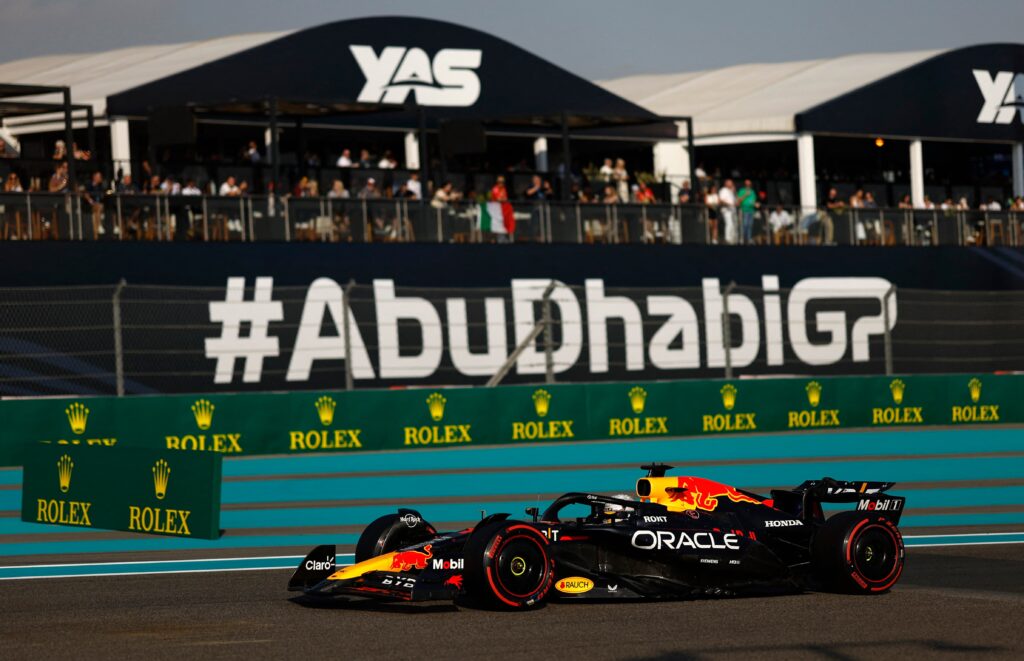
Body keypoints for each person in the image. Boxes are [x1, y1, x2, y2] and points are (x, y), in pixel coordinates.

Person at [84, 172, 106, 238]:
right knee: (98, 208)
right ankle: (100, 225)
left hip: (99, 205)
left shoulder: (101, 185)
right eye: (98, 177)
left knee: (98, 209)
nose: (99, 178)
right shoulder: (89, 184)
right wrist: (91, 201)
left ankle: (97, 229)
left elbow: (103, 195)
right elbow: (86, 194)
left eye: (100, 177)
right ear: (94, 177)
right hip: (89, 204)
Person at [737, 179, 757, 244]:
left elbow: (753, 200)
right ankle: (742, 238)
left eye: (749, 184)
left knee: (750, 225)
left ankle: (749, 239)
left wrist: (755, 204)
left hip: (751, 210)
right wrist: (745, 194)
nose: (748, 185)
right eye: (747, 184)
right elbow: (738, 201)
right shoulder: (741, 191)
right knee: (744, 225)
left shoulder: (752, 191)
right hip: (744, 210)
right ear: (745, 185)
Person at [718, 179, 737, 244]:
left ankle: (733, 239)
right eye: (730, 183)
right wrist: (729, 204)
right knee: (729, 224)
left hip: (733, 210)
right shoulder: (723, 190)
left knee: (734, 225)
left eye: (732, 183)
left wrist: (734, 192)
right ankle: (728, 239)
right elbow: (721, 200)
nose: (731, 184)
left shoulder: (731, 191)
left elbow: (735, 202)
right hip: (726, 210)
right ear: (726, 183)